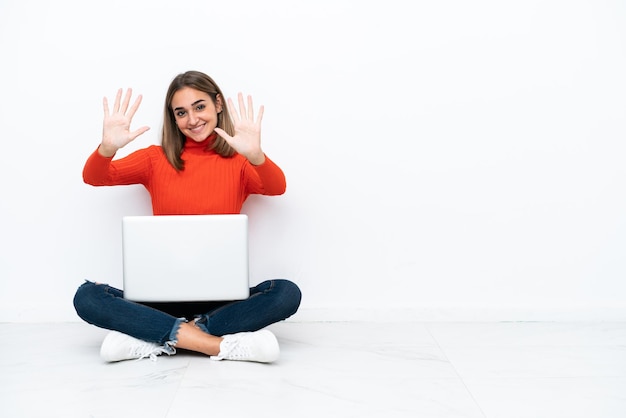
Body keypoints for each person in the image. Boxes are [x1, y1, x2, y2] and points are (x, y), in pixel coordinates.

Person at [73, 71, 302, 363]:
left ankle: (156, 337)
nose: (192, 119)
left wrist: (256, 155)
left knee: (286, 293)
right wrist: (108, 148)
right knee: (87, 296)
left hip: (222, 299)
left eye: (200, 106)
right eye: (181, 112)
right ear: (174, 118)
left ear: (218, 104)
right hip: (159, 298)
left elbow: (276, 187)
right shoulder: (155, 159)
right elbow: (95, 177)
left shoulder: (240, 161)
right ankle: (215, 344)